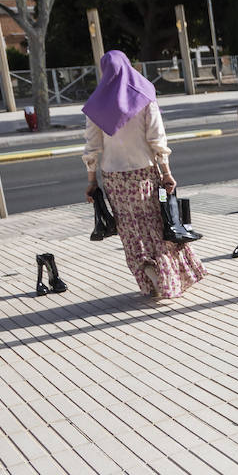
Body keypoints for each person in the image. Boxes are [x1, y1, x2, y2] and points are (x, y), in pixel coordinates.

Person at [82, 50, 207, 299]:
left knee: (130, 230)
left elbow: (92, 148)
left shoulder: (96, 105)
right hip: (144, 174)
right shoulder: (144, 95)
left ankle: (145, 267)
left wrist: (91, 182)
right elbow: (157, 139)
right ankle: (169, 278)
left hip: (114, 178)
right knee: (157, 224)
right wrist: (167, 173)